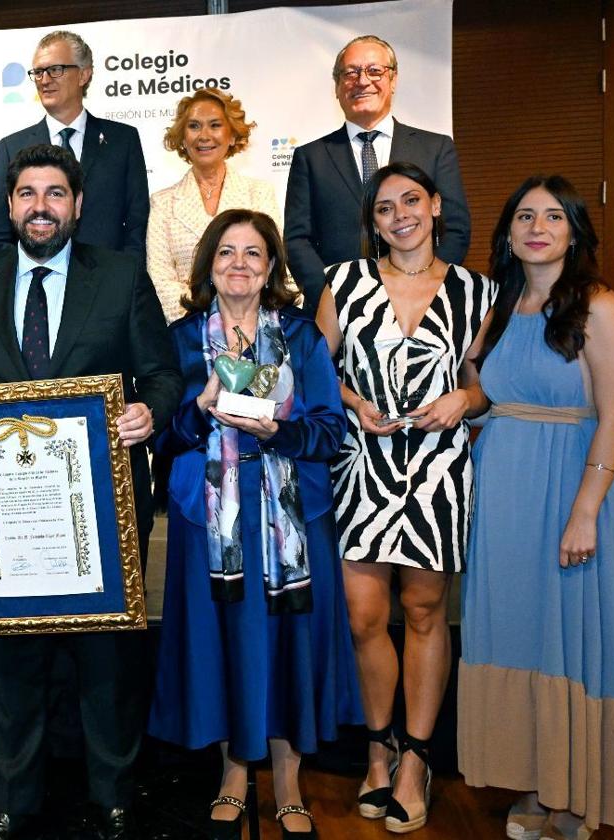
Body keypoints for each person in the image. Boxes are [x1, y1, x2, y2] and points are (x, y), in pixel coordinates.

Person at [0, 144, 181, 840]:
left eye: (55, 193)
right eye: (27, 193)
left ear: (78, 205)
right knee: (13, 666)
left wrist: (149, 412)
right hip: (5, 520)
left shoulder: (120, 277)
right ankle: (14, 802)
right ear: (9, 205)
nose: (40, 206)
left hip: (101, 513)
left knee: (105, 667)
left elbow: (161, 374)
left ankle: (113, 794)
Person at [148, 209, 363, 839]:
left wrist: (279, 431)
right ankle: (235, 772)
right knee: (222, 645)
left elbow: (329, 431)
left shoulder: (300, 336)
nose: (239, 264)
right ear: (208, 265)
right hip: (209, 519)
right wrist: (199, 408)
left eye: (253, 254)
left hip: (291, 520)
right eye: (226, 253)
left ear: (271, 267)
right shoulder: (183, 338)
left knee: (288, 645)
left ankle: (290, 777)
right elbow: (164, 435)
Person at [458, 176, 614, 839]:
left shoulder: (599, 306)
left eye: (553, 216)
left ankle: (574, 799)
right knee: (517, 634)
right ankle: (538, 786)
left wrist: (586, 510)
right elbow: (477, 387)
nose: (538, 225)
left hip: (571, 490)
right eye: (525, 216)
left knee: (568, 638)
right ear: (507, 233)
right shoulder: (501, 307)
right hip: (502, 491)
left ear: (574, 231)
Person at [315, 162, 494, 833]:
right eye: (385, 208)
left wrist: (463, 399)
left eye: (410, 201)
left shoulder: (477, 291)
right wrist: (354, 401)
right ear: (374, 222)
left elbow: (482, 386)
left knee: (424, 612)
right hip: (363, 466)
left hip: (438, 470)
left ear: (436, 206)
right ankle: (378, 748)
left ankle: (416, 760)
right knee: (365, 617)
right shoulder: (345, 281)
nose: (399, 216)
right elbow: (317, 371)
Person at [284, 35, 471, 314]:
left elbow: (454, 227)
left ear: (393, 80)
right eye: (350, 72)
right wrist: (331, 298)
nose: (362, 81)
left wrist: (423, 289)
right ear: (337, 86)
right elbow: (297, 239)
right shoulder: (310, 157)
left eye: (375, 71)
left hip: (423, 308)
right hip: (338, 313)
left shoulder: (435, 148)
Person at [0, 30, 148, 258]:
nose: (44, 80)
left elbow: (137, 227)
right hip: (36, 286)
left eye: (55, 70)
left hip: (107, 284)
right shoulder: (12, 147)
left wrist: (125, 283)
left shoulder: (123, 140)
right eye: (38, 72)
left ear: (84, 75)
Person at [147, 89, 281, 324]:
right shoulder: (162, 202)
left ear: (231, 136)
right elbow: (160, 278)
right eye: (194, 126)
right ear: (182, 138)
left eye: (215, 125)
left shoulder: (259, 194)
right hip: (187, 329)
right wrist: (209, 323)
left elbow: (276, 265)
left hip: (255, 327)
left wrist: (242, 320)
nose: (204, 135)